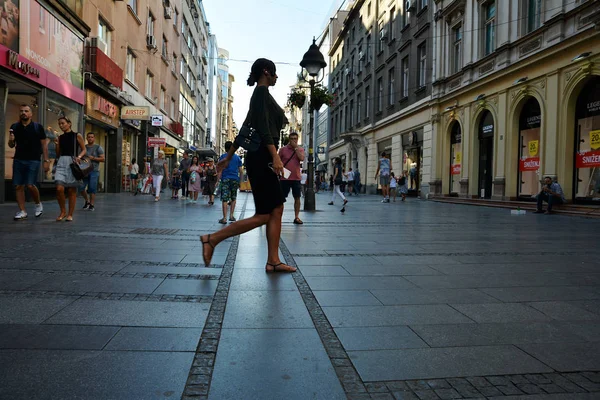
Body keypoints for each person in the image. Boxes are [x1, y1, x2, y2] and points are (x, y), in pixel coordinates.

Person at [200, 58, 296, 273]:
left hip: (262, 157)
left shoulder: (261, 95)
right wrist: (276, 156)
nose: (277, 76)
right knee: (264, 213)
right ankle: (212, 239)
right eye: (275, 72)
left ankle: (273, 260)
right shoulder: (261, 93)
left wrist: (228, 155)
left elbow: (245, 127)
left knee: (276, 208)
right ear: (266, 71)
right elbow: (261, 128)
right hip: (262, 157)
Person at [8, 104, 49, 220]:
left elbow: (44, 145)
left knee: (30, 185)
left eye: (26, 111)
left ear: (31, 114)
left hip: (33, 159)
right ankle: (22, 211)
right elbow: (11, 145)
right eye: (21, 111)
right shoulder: (14, 127)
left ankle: (37, 204)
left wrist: (46, 160)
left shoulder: (37, 127)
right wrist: (11, 140)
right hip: (18, 159)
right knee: (18, 186)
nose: (23, 113)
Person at [54, 116, 86, 221]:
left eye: (63, 123)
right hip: (61, 162)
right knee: (59, 188)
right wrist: (57, 145)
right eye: (59, 124)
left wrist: (79, 157)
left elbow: (84, 149)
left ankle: (70, 214)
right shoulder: (60, 137)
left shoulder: (77, 135)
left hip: (72, 163)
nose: (61, 125)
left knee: (72, 190)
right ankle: (63, 211)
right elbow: (58, 153)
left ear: (69, 123)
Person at [278, 131, 305, 224]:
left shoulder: (300, 149)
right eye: (292, 139)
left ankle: (296, 217)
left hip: (296, 178)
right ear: (289, 140)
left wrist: (296, 148)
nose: (294, 140)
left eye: (295, 139)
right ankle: (278, 217)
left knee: (297, 198)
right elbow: (278, 161)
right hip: (284, 178)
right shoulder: (283, 150)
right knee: (281, 198)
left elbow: (301, 158)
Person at [218, 141, 243, 224]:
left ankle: (224, 218)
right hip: (235, 179)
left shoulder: (223, 157)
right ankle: (231, 216)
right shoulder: (237, 158)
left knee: (224, 198)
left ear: (225, 148)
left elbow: (220, 169)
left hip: (225, 179)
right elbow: (241, 171)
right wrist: (241, 181)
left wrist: (218, 180)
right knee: (233, 197)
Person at [80, 132, 104, 211]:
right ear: (86, 138)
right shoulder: (84, 148)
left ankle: (92, 204)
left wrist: (93, 158)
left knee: (92, 188)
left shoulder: (98, 147)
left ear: (94, 138)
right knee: (81, 187)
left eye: (92, 137)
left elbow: (103, 159)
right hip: (84, 170)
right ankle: (87, 201)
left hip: (94, 170)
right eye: (89, 137)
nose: (90, 138)